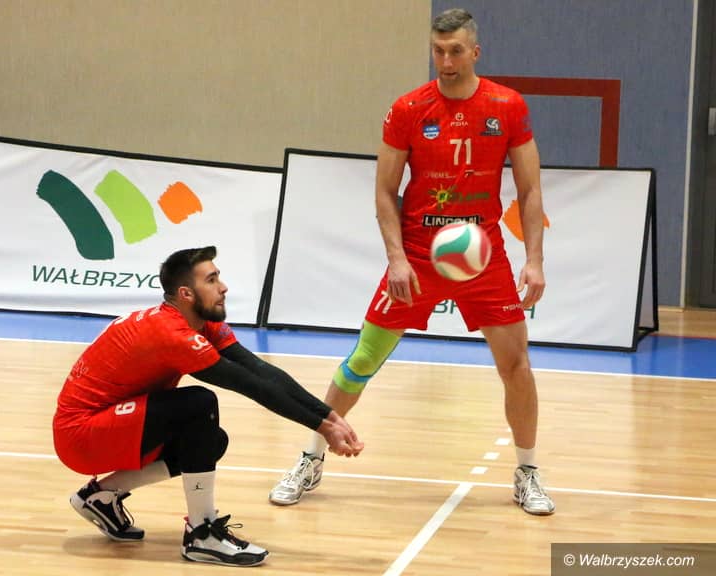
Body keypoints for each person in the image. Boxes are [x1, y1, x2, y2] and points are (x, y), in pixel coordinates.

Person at [268, 8, 554, 516]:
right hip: (419, 256)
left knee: (517, 366)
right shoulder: (408, 109)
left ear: (475, 52)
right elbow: (384, 191)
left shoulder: (507, 106)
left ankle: (527, 472)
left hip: (483, 256)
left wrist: (534, 259)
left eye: (456, 51)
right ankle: (310, 457)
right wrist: (397, 259)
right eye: (438, 51)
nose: (446, 61)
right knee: (363, 360)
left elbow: (531, 191)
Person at [53, 246, 364, 566]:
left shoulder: (198, 320)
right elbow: (250, 386)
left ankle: (100, 497)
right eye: (212, 280)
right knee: (199, 404)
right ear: (186, 294)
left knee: (209, 442)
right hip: (82, 435)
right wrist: (323, 427)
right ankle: (202, 535)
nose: (223, 287)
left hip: (107, 423)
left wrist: (329, 417)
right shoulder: (171, 333)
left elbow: (259, 371)